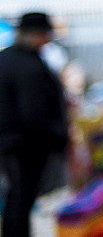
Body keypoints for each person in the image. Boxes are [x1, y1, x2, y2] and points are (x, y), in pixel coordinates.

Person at [0, 12, 69, 237]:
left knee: (18, 196)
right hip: (24, 144)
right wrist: (57, 137)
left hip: (13, 140)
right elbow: (34, 111)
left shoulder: (8, 59)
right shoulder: (27, 66)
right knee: (21, 197)